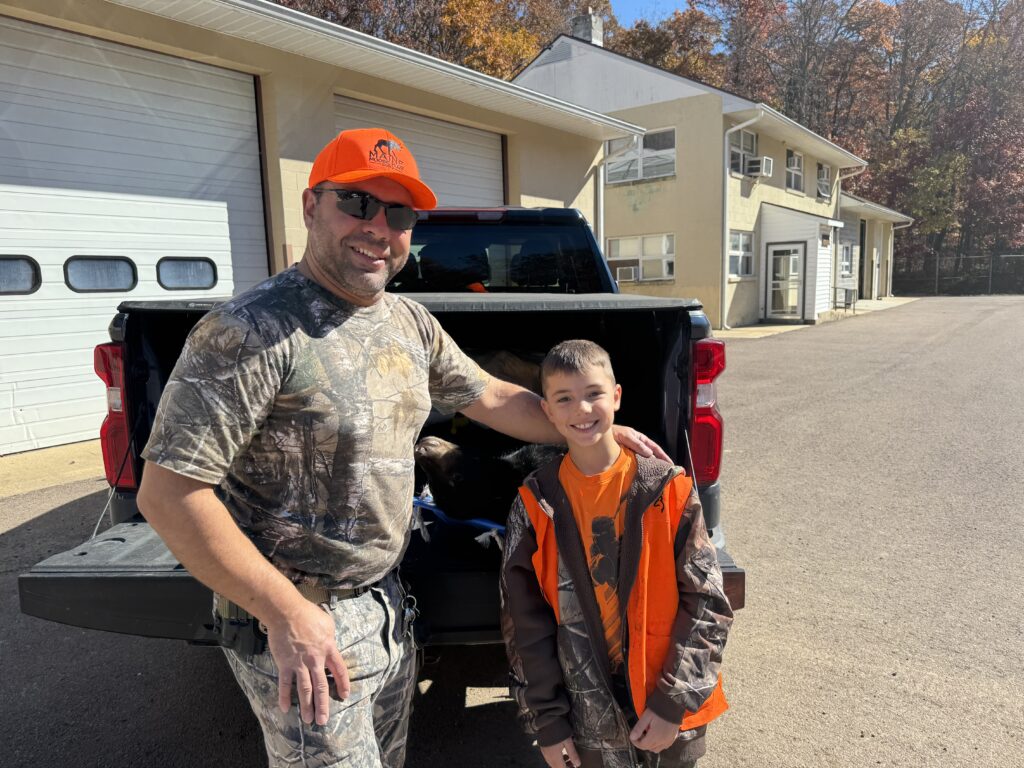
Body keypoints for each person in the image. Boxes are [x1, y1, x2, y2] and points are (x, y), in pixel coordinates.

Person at [136, 128, 667, 768]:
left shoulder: (407, 322)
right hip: (304, 623)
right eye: (357, 203)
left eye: (399, 213)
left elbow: (493, 396)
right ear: (311, 206)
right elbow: (170, 495)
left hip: (387, 608)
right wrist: (285, 616)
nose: (378, 227)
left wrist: (591, 428)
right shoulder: (248, 331)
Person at [500, 339, 734, 768]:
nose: (582, 410)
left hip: (668, 717)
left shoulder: (668, 489)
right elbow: (524, 628)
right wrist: (549, 724)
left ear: (617, 397)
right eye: (564, 399)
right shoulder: (534, 505)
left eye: (594, 394)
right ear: (547, 412)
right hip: (587, 721)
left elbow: (708, 604)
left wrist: (672, 702)